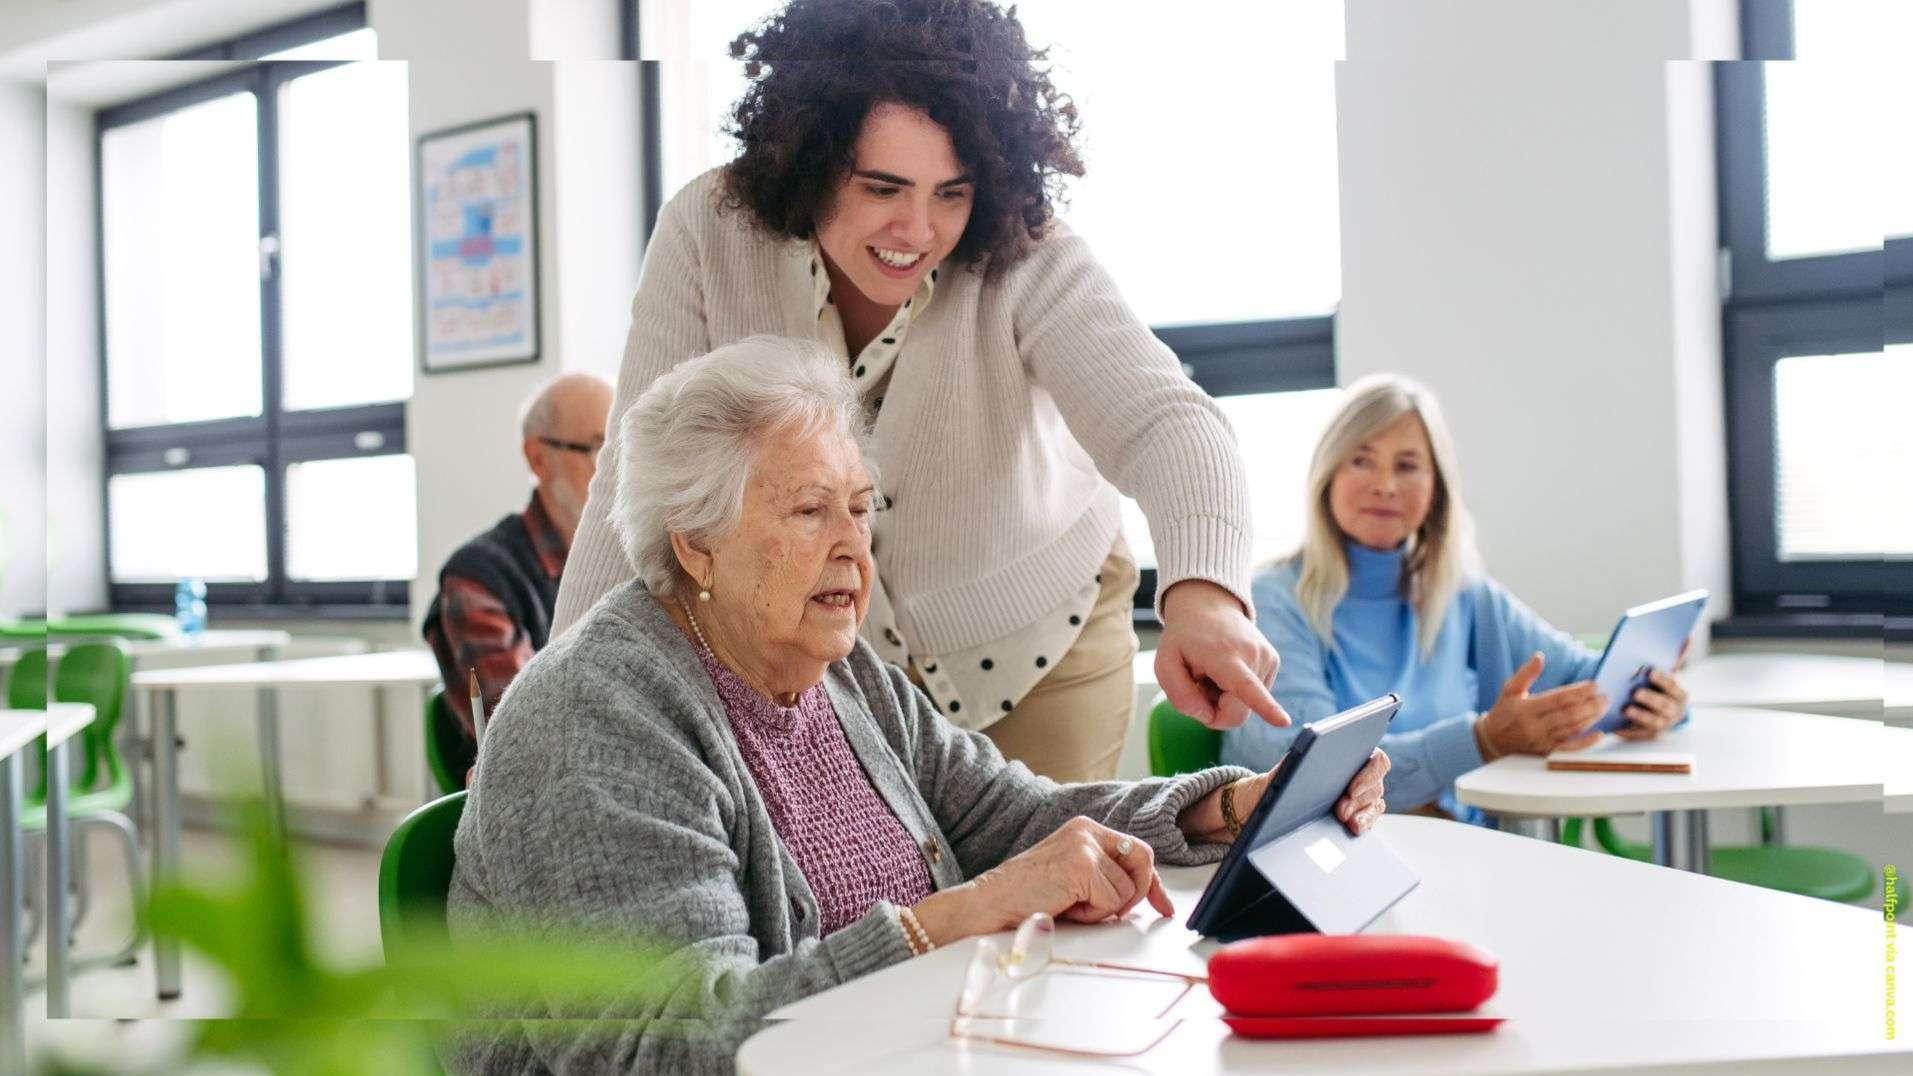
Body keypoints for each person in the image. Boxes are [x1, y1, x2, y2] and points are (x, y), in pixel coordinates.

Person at [448, 337, 1390, 1072]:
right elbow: (667, 1046)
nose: (854, 548)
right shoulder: (596, 719)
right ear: (695, 542)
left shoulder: (839, 669)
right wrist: (961, 914)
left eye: (861, 508)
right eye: (810, 512)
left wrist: (1229, 806)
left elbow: (1012, 818)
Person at [551, 0, 1286, 783]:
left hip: (1038, 635)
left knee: (1052, 886)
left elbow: (1167, 424)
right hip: (832, 659)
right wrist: (561, 693)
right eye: (881, 187)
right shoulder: (708, 231)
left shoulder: (1027, 255)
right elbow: (636, 489)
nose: (917, 229)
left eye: (951, 192)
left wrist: (1205, 596)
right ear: (810, 155)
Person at [1220, 374, 1690, 822]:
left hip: (1466, 846)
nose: (1385, 484)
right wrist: (1482, 740)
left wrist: (1656, 703)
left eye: (1407, 466)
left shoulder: (1465, 595)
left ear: (1436, 490)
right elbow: (1307, 773)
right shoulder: (1273, 602)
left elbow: (1591, 684)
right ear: (1326, 475)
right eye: (1361, 460)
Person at [422, 372, 614, 763]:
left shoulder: (627, 558)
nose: (615, 471)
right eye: (598, 448)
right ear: (538, 458)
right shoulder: (478, 578)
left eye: (622, 450)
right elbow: (525, 729)